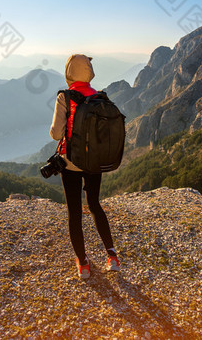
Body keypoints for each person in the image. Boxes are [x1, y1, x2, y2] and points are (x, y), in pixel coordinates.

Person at [49, 54, 119, 279]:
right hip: (95, 163)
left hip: (71, 163)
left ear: (69, 71)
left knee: (75, 213)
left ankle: (83, 264)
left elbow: (56, 134)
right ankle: (112, 256)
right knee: (95, 205)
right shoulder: (100, 97)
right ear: (89, 71)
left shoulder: (65, 97)